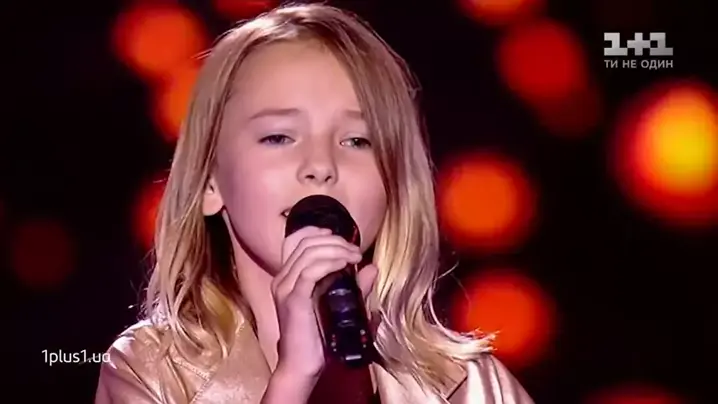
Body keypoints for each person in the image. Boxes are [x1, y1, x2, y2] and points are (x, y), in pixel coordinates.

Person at [95, 3, 534, 403]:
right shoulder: (152, 373)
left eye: (357, 140)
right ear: (210, 181)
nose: (321, 166)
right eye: (279, 137)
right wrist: (293, 380)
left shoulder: (473, 388)